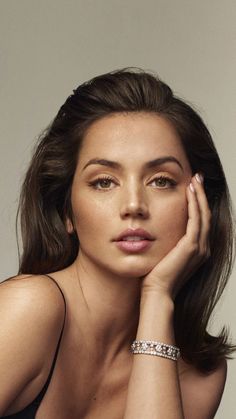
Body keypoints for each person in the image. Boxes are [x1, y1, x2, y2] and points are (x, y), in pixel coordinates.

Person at [0, 68, 235, 419]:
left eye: (161, 181)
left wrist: (157, 297)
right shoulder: (30, 308)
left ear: (199, 202)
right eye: (104, 182)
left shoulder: (199, 373)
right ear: (66, 210)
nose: (134, 206)